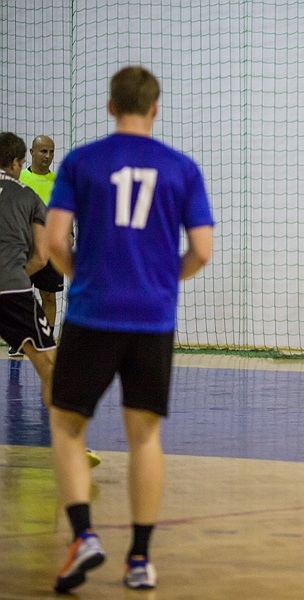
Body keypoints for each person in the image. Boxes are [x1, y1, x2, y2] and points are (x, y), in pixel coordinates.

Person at [45, 66, 214, 593]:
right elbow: (202, 250)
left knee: (67, 425)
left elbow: (54, 242)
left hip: (92, 315)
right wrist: (161, 281)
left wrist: (83, 275)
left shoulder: (81, 161)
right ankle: (139, 558)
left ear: (110, 105)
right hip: (152, 319)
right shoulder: (182, 168)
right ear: (155, 109)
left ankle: (83, 535)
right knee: (144, 436)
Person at [0, 132, 57, 410]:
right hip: (11, 287)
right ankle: (62, 434)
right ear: (16, 162)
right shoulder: (28, 196)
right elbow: (42, 257)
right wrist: (16, 272)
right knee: (49, 366)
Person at [18, 135, 65, 345]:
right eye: (43, 151)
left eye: (51, 152)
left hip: (50, 248)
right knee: (20, 297)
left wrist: (70, 234)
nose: (48, 156)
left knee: (48, 296)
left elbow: (64, 211)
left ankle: (46, 341)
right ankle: (19, 341)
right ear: (31, 152)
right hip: (23, 249)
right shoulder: (19, 178)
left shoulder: (58, 181)